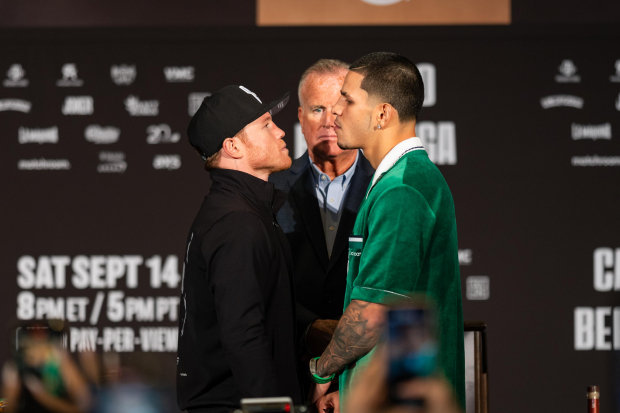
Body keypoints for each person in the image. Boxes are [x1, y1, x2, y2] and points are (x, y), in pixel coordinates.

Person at [309, 52, 465, 412]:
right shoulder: (399, 181)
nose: (335, 112)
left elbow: (372, 314)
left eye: (347, 100)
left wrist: (321, 372)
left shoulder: (402, 189)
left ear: (382, 114)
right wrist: (349, 393)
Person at [176, 85, 302, 412]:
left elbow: (266, 309)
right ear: (232, 146)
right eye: (265, 125)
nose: (280, 130)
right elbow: (243, 334)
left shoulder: (244, 211)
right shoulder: (237, 222)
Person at [270, 59, 374, 362]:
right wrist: (311, 329)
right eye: (318, 110)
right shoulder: (271, 189)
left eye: (339, 107)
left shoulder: (385, 187)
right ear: (301, 118)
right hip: (292, 360)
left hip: (366, 363)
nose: (330, 120)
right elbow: (265, 283)